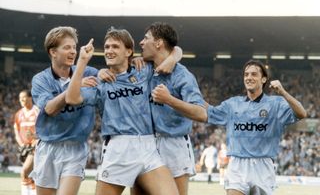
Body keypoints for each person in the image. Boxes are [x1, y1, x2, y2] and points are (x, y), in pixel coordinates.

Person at [151, 59, 307, 195]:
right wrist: (185, 94)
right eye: (246, 74)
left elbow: (301, 113)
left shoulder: (275, 104)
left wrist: (283, 92)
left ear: (264, 79)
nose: (249, 77)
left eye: (254, 74)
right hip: (237, 165)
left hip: (263, 165)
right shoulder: (232, 104)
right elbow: (208, 110)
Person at [65, 28, 179, 195]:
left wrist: (172, 59)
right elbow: (72, 99)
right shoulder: (99, 81)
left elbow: (174, 49)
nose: (109, 51)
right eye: (106, 47)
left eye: (115, 47)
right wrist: (82, 61)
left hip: (148, 147)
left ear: (129, 51)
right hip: (118, 148)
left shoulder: (143, 70)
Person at [138, 22, 206, 195]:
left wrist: (169, 100)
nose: (141, 42)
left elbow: (201, 113)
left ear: (159, 43)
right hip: (145, 142)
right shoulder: (143, 68)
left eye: (146, 38)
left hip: (173, 144)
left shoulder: (182, 76)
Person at [31, 26, 98, 195]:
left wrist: (134, 61)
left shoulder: (88, 72)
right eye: (67, 47)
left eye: (74, 48)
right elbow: (50, 109)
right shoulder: (41, 79)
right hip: (48, 147)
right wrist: (75, 86)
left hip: (75, 147)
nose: (73, 52)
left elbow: (112, 73)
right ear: (53, 52)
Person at [14, 90, 39, 195]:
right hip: (24, 149)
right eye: (20, 98)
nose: (21, 100)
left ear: (30, 97)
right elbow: (17, 132)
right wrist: (21, 144)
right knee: (31, 176)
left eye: (23, 97)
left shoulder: (37, 111)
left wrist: (36, 139)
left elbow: (44, 129)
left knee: (24, 172)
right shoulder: (18, 114)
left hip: (36, 148)